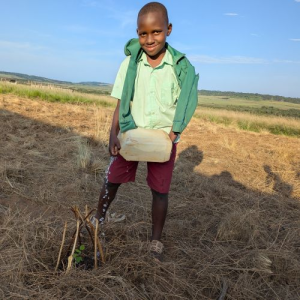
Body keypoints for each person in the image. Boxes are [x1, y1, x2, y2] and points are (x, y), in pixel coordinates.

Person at [92, 1, 199, 261]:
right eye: (143, 33)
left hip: (162, 139)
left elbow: (186, 101)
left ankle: (155, 242)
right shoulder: (130, 64)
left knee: (160, 191)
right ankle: (98, 220)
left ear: (168, 29)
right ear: (137, 33)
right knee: (112, 178)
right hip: (131, 133)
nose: (150, 39)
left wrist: (174, 133)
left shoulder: (179, 67)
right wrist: (112, 134)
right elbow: (121, 101)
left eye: (156, 32)